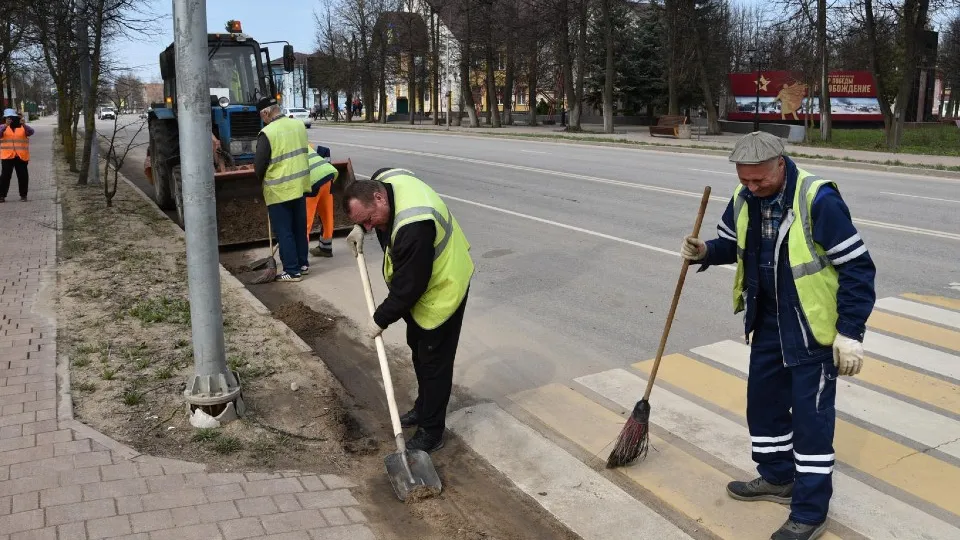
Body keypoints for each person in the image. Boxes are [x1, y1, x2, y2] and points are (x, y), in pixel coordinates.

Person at [681, 131, 876, 540]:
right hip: (767, 324)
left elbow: (859, 268)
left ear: (780, 165)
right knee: (764, 408)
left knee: (811, 425)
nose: (751, 188)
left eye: (759, 180)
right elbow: (731, 245)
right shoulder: (743, 197)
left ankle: (809, 511)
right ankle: (776, 477)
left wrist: (850, 333)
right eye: (745, 180)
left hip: (812, 332)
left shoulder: (818, 199)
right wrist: (704, 251)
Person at [342, 169, 474, 453]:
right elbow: (380, 177)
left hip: (443, 287)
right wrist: (359, 227)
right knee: (417, 347)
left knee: (434, 361)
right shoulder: (386, 180)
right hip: (423, 280)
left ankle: (432, 430)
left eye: (368, 221)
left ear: (379, 198)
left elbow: (408, 289)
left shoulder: (415, 227)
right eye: (362, 224)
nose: (368, 227)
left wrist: (379, 320)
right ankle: (423, 407)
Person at [253, 96, 310, 282]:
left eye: (261, 116)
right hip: (299, 186)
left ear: (266, 112)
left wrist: (260, 180)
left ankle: (292, 271)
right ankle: (303, 264)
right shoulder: (298, 125)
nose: (262, 119)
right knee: (299, 228)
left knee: (284, 231)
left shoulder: (267, 133)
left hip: (279, 190)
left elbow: (259, 165)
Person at [304, 143, 339, 258]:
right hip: (328, 178)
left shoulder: (291, 149)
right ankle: (326, 248)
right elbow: (326, 152)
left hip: (311, 183)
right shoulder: (311, 146)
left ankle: (301, 259)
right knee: (327, 216)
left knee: (305, 223)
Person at [0, 109, 34, 202]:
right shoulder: (2, 127)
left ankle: (23, 195)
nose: (11, 120)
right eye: (8, 118)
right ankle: (1, 196)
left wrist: (24, 124)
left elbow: (31, 132)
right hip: (7, 156)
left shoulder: (22, 127)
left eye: (12, 117)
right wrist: (6, 126)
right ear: (5, 118)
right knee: (5, 176)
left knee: (23, 176)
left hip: (21, 156)